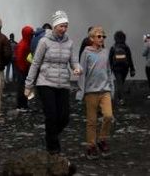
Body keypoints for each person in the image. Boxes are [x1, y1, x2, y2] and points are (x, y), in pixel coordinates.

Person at [25, 11, 81, 154]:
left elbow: (74, 61)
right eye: (61, 26)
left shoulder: (70, 42)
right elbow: (36, 63)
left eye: (66, 26)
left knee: (64, 117)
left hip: (63, 83)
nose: (64, 29)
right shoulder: (44, 41)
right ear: (55, 26)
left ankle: (50, 135)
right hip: (45, 82)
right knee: (51, 115)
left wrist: (77, 68)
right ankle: (53, 148)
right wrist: (28, 85)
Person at [79, 26, 116, 157]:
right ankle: (91, 146)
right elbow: (82, 73)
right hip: (91, 92)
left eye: (103, 36)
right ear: (91, 38)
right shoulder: (86, 53)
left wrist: (112, 88)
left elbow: (108, 70)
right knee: (92, 121)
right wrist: (81, 91)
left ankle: (102, 139)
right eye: (99, 36)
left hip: (104, 90)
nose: (102, 38)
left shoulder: (105, 52)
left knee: (108, 116)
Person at [107, 31, 135, 106]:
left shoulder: (113, 47)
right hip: (125, 67)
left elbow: (109, 59)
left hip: (116, 68)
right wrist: (132, 69)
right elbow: (129, 58)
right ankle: (120, 98)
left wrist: (109, 68)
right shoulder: (126, 47)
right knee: (121, 82)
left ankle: (120, 98)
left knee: (119, 83)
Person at [14, 25, 35, 109]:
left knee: (24, 87)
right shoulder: (23, 44)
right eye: (31, 34)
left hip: (23, 69)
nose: (32, 35)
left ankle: (23, 104)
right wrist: (24, 68)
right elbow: (19, 58)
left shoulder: (23, 42)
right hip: (22, 70)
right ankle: (21, 105)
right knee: (22, 87)